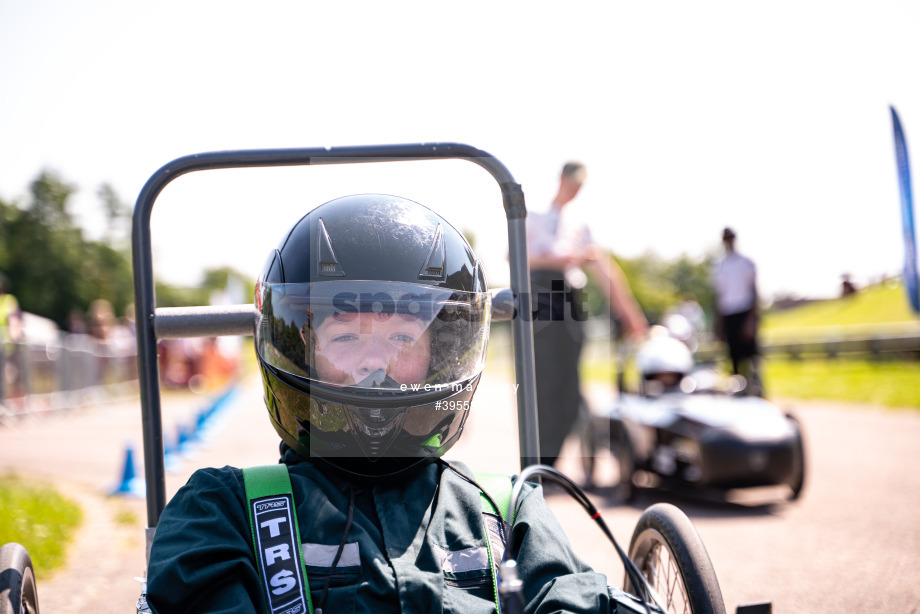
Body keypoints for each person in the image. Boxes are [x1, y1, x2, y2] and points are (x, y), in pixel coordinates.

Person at [146, 194, 613, 614]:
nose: (374, 364)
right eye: (347, 337)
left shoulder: (506, 508)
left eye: (402, 339)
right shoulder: (223, 508)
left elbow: (571, 598)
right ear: (304, 348)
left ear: (438, 356)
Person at [526, 162, 647, 467]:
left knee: (570, 385)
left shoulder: (580, 224)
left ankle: (555, 457)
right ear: (561, 179)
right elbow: (515, 256)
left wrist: (630, 313)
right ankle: (540, 461)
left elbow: (605, 270)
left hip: (569, 299)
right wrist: (564, 257)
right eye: (572, 183)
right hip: (541, 297)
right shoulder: (534, 215)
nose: (576, 190)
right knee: (545, 382)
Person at [711, 227, 763, 395]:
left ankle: (757, 390)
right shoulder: (720, 267)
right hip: (728, 315)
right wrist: (718, 324)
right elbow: (720, 296)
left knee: (752, 358)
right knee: (733, 359)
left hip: (745, 312)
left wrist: (752, 319)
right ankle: (739, 393)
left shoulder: (746, 263)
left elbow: (753, 291)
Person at [0, 272, 23, 403]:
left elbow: (14, 320)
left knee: (7, 377)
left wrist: (15, 335)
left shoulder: (9, 300)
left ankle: (4, 406)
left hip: (5, 346)